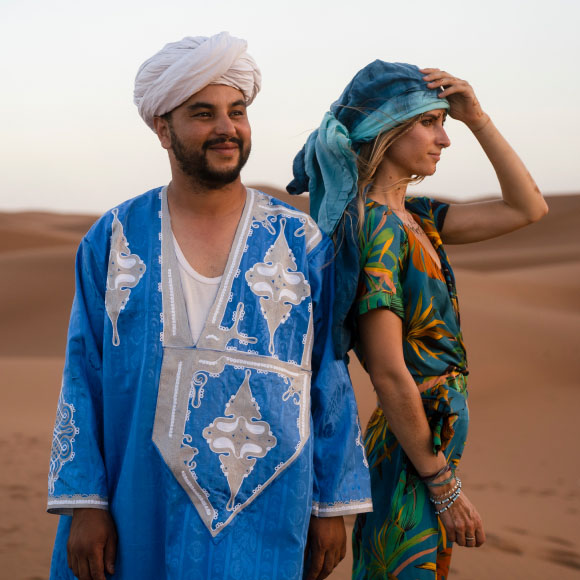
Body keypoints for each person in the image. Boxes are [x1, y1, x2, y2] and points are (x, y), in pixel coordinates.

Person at [47, 32, 372, 580]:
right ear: (163, 128)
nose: (227, 128)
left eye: (237, 111)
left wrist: (329, 505)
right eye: (203, 113)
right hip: (135, 504)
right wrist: (86, 502)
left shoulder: (302, 241)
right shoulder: (115, 237)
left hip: (270, 506)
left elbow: (328, 377)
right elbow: (84, 371)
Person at [287, 60, 548, 578]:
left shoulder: (420, 217)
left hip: (426, 450)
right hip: (413, 455)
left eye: (444, 124)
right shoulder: (378, 229)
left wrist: (477, 118)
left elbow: (528, 208)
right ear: (385, 129)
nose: (444, 139)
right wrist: (441, 483)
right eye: (429, 123)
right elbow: (386, 370)